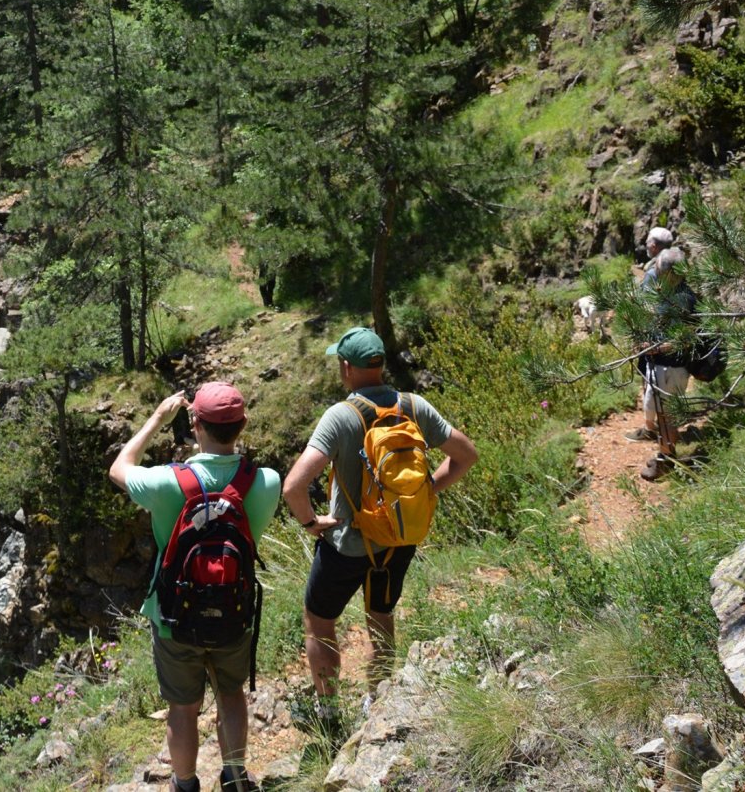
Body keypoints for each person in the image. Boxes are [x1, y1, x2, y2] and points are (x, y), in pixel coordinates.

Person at [281, 327, 477, 731]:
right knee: (381, 616)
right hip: (399, 539)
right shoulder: (414, 406)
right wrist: (429, 490)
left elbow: (293, 486)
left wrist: (310, 522)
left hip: (346, 546)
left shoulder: (341, 415)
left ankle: (329, 713)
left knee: (319, 623)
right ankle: (380, 702)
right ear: (381, 364)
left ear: (347, 368)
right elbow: (467, 455)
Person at [109, 383, 281, 792]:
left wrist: (156, 419)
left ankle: (184, 784)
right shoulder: (267, 482)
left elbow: (119, 467)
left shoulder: (167, 482)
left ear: (195, 424)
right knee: (232, 695)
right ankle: (235, 776)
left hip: (173, 617)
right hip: (234, 610)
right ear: (243, 425)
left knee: (182, 710)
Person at [636, 248, 696, 481]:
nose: (657, 274)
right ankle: (666, 452)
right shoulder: (676, 293)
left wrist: (658, 348)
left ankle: (666, 461)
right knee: (662, 412)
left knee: (666, 414)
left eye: (661, 271)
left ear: (672, 274)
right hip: (662, 365)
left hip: (671, 367)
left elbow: (689, 337)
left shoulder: (685, 300)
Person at [626, 226, 676, 443]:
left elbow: (645, 305)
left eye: (647, 243)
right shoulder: (677, 265)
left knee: (649, 377)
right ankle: (663, 426)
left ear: (654, 246)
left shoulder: (654, 271)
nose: (646, 246)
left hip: (655, 337)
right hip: (672, 335)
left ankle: (652, 428)